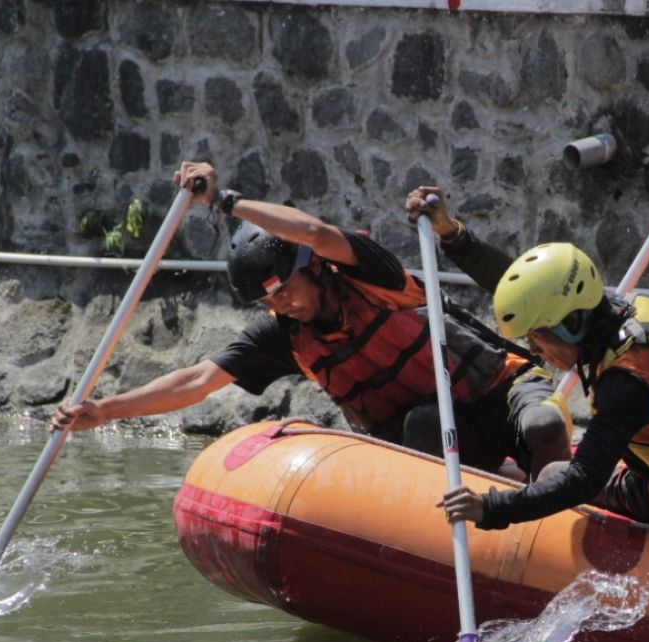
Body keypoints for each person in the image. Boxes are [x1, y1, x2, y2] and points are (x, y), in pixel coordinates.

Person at [54, 163, 571, 479]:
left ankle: (568, 507)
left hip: (499, 388)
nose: (280, 307)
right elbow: (197, 380)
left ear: (313, 269)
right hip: (442, 437)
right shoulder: (286, 337)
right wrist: (105, 410)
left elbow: (317, 232)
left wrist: (223, 201)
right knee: (421, 424)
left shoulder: (370, 274)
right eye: (266, 303)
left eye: (283, 292)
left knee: (545, 421)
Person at [436, 241, 649, 548]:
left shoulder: (628, 381)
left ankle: (535, 551)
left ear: (570, 323)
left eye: (535, 336)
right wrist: (458, 240)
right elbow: (534, 296)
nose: (533, 349)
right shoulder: (622, 313)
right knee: (566, 466)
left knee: (554, 473)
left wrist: (491, 509)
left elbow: (583, 480)